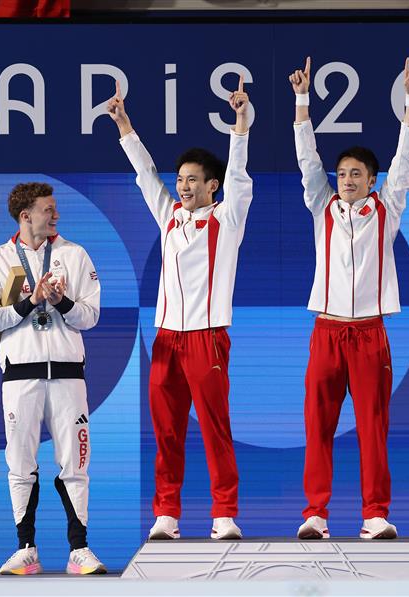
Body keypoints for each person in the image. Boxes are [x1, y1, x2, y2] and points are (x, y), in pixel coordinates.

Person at [107, 76, 251, 540]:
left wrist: (240, 126)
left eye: (193, 180)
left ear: (212, 185)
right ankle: (166, 514)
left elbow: (239, 175)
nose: (183, 186)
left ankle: (224, 513)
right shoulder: (169, 215)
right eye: (181, 179)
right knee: (167, 432)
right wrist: (125, 125)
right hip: (166, 339)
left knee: (214, 428)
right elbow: (146, 174)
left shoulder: (228, 218)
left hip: (207, 337)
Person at [289, 57, 409, 540]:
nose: (346, 179)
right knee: (318, 427)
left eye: (356, 174)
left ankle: (374, 515)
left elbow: (405, 161)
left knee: (373, 427)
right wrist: (302, 102)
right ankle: (316, 515)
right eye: (341, 173)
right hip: (325, 332)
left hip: (370, 333)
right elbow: (307, 161)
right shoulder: (321, 207)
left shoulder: (388, 209)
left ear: (371, 179)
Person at [0, 182, 106, 574]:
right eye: (49, 209)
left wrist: (60, 301)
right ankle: (25, 548)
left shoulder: (74, 254)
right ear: (26, 215)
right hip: (20, 375)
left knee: (76, 461)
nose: (56, 215)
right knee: (20, 461)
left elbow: (91, 315)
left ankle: (79, 550)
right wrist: (30, 301)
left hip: (68, 374)